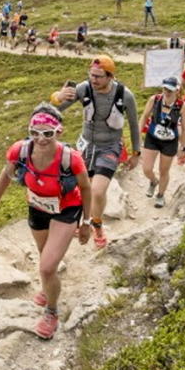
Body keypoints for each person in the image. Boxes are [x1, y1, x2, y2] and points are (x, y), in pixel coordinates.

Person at [0, 105, 92, 340]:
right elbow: (5, 176)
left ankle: (51, 312)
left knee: (46, 266)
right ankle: (49, 286)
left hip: (67, 208)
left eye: (47, 133)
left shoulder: (70, 158)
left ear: (58, 132)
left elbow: (85, 187)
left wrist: (87, 222)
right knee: (45, 257)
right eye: (34, 132)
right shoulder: (19, 151)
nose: (40, 139)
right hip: (37, 207)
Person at [51, 55, 140, 249]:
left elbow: (134, 124)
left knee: (97, 191)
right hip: (86, 146)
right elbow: (57, 109)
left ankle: (97, 226)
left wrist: (136, 153)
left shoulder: (125, 95)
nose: (94, 79)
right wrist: (57, 96)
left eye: (99, 76)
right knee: (81, 188)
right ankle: (83, 222)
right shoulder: (84, 89)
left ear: (110, 76)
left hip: (110, 147)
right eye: (91, 75)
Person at [138, 76, 185, 208]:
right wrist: (137, 135)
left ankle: (160, 195)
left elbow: (184, 129)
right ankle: (153, 181)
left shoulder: (182, 106)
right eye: (165, 88)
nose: (167, 91)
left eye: (170, 90)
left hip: (170, 141)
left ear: (177, 91)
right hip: (152, 137)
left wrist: (183, 147)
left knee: (164, 170)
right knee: (146, 169)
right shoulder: (154, 99)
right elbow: (144, 116)